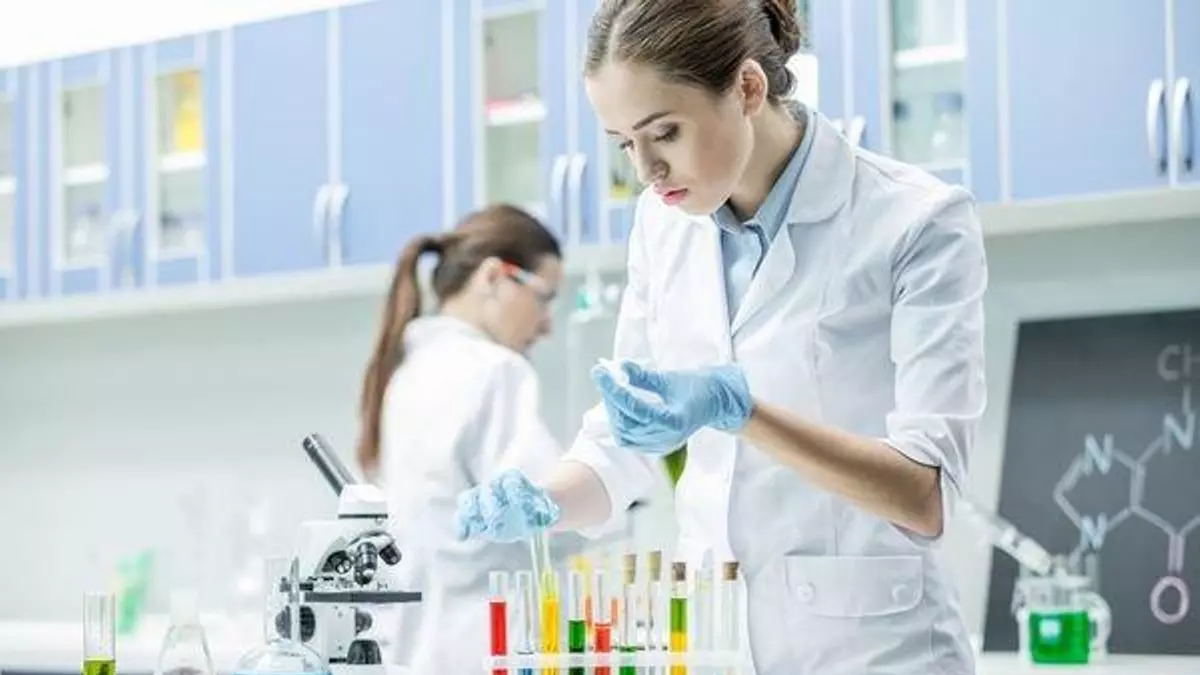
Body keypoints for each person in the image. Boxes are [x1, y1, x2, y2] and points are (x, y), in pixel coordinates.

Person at [455, 0, 988, 673]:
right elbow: (625, 439)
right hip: (718, 643)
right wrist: (546, 499)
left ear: (747, 88)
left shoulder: (915, 221)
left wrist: (744, 413)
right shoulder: (661, 224)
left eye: (664, 132)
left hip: (878, 652)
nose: (645, 170)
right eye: (624, 143)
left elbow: (923, 494)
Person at [357, 204, 595, 675]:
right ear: (493, 277)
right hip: (486, 646)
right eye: (544, 298)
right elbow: (553, 516)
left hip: (418, 651)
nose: (547, 323)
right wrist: (611, 493)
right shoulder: (494, 371)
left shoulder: (407, 370)